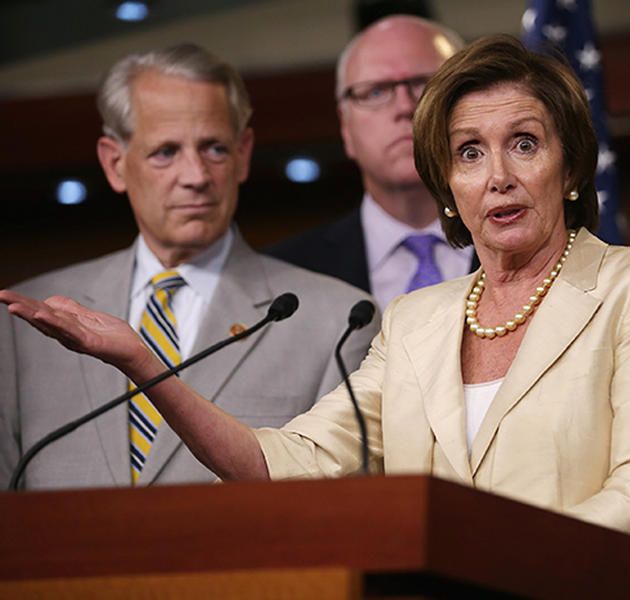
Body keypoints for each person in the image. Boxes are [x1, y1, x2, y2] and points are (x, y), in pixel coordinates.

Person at [1, 35, 630, 544]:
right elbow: (284, 461)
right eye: (468, 152)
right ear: (447, 189)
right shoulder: (415, 321)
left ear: (571, 168)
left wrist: (485, 567)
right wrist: (144, 365)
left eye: (524, 142)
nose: (497, 174)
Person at [0, 43, 376, 490]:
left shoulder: (337, 320)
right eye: (165, 152)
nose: (196, 175)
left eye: (214, 148)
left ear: (244, 154)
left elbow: (344, 512)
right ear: (115, 163)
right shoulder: (26, 325)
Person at [267, 15, 477, 309]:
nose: (406, 107)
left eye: (426, 83)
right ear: (345, 127)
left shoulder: (543, 247)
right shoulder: (283, 276)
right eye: (375, 91)